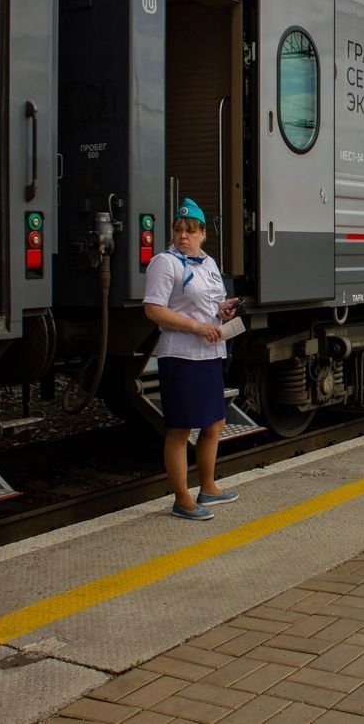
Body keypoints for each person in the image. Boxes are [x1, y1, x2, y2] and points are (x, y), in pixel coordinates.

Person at [143, 198, 242, 521]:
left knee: (215, 422)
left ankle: (208, 486)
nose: (183, 235)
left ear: (202, 234)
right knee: (180, 428)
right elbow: (154, 309)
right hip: (182, 355)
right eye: (178, 229)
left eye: (190, 230)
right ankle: (182, 499)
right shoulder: (165, 262)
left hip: (211, 353)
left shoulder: (209, 263)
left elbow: (208, 304)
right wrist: (197, 326)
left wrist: (221, 310)